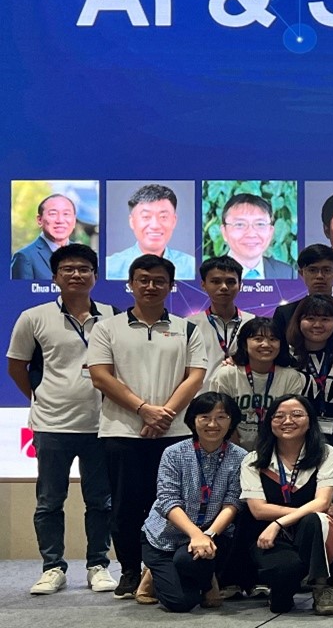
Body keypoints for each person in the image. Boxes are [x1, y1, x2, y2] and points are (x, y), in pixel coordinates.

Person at [87, 254, 206, 598]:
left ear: (170, 286)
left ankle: (162, 569)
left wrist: (164, 413)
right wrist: (143, 410)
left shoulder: (188, 328)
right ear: (131, 284)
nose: (151, 286)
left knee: (172, 505)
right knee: (125, 505)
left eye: (159, 281)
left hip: (176, 434)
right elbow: (100, 375)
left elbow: (195, 376)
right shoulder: (107, 327)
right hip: (122, 432)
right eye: (143, 280)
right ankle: (128, 570)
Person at [7, 243, 119, 595]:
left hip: (102, 424)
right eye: (68, 269)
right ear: (55, 276)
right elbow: (16, 366)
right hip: (52, 425)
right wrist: (40, 398)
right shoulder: (34, 317)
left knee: (100, 500)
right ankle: (52, 567)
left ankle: (98, 565)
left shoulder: (113, 317)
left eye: (83, 269)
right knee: (49, 501)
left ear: (95, 276)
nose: (76, 274)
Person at [140, 392, 246, 612]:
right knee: (181, 603)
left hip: (211, 534)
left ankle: (203, 578)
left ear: (231, 421)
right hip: (165, 536)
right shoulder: (174, 453)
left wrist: (207, 535)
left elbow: (233, 502)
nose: (212, 424)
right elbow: (167, 500)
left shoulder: (240, 457)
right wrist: (195, 534)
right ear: (193, 420)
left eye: (221, 417)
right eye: (204, 416)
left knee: (190, 561)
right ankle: (153, 573)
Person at [240, 394, 333, 615]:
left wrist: (278, 522)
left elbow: (323, 501)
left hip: (308, 533)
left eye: (296, 415)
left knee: (315, 519)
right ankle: (281, 591)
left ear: (310, 421)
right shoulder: (253, 460)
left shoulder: (326, 454)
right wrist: (314, 507)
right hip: (268, 539)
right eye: (279, 416)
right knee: (283, 594)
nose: (288, 421)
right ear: (269, 422)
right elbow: (258, 510)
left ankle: (321, 586)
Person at [286, 294, 333, 587]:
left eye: (325, 319)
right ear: (298, 321)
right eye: (310, 318)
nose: (317, 324)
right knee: (307, 499)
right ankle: (305, 562)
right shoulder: (287, 356)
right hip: (299, 439)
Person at [211, 317, 308, 451]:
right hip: (231, 449)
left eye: (273, 339)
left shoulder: (290, 377)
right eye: (258, 339)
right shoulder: (227, 375)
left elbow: (289, 421)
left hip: (275, 450)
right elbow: (221, 417)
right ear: (245, 344)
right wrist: (238, 453)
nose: (266, 344)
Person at [187, 257, 255, 390]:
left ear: (240, 285)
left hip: (242, 401)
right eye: (215, 281)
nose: (224, 287)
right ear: (203, 285)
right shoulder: (189, 325)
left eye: (230, 282)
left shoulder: (254, 323)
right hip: (201, 402)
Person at [105, 184, 196, 279]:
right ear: (132, 221)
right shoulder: (109, 268)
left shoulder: (191, 267)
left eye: (163, 217)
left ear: (174, 221)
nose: (155, 226)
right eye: (146, 217)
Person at [271, 244, 333, 333]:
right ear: (301, 274)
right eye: (312, 270)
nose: (319, 276)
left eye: (327, 270)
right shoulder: (285, 313)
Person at [215, 192, 294, 279]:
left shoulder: (288, 274)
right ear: (224, 232)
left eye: (260, 224)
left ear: (270, 232)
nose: (251, 234)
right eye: (240, 224)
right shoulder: (206, 274)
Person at [11, 193, 77, 280]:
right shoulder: (25, 258)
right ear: (39, 220)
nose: (60, 220)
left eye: (66, 214)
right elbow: (21, 293)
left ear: (74, 220)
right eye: (53, 214)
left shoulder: (84, 255)